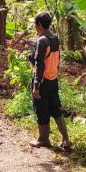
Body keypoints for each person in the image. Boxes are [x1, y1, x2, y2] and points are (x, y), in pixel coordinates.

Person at [28, 12, 72, 151]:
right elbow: (54, 60)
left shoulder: (42, 41)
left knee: (41, 110)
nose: (34, 26)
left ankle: (43, 139)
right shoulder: (55, 38)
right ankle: (66, 139)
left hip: (43, 81)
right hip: (53, 79)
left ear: (40, 25)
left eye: (35, 24)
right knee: (56, 109)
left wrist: (36, 86)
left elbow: (40, 65)